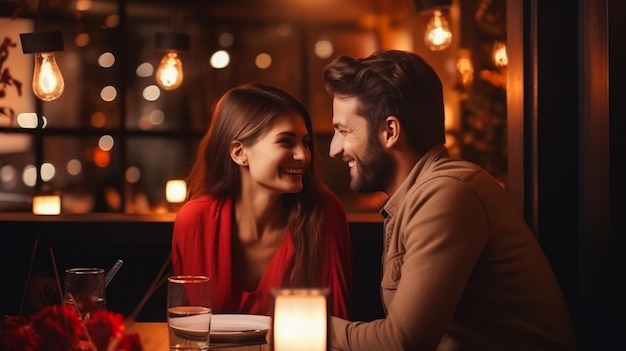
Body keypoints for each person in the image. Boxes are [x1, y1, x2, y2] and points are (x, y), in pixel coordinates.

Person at [322, 49, 578, 350]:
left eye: (343, 131)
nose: (334, 149)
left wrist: (294, 325)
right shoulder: (424, 193)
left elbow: (401, 342)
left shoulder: (448, 193)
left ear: (390, 131)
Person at [171, 82, 352, 318]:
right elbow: (188, 322)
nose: (303, 155)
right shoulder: (195, 220)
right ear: (239, 153)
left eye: (305, 142)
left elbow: (336, 323)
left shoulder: (324, 212)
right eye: (285, 141)